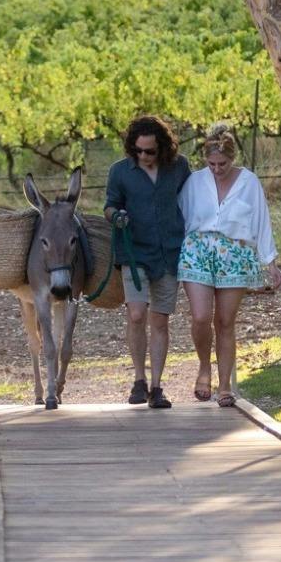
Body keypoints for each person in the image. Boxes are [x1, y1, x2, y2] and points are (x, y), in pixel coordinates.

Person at [178, 122, 281, 407]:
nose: (216, 168)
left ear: (232, 158)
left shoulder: (248, 182)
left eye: (222, 163)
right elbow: (181, 218)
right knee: (201, 316)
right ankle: (203, 367)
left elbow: (261, 221)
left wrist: (270, 263)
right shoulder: (194, 182)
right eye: (211, 163)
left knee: (225, 322)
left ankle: (225, 385)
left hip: (235, 255)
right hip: (198, 251)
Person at [103, 115, 191, 409]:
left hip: (168, 251)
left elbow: (189, 200)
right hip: (134, 251)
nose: (143, 156)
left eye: (149, 151)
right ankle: (138, 380)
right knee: (137, 314)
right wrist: (116, 216)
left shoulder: (179, 168)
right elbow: (109, 204)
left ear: (162, 147)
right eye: (138, 150)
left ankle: (157, 386)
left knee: (160, 320)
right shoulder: (120, 172)